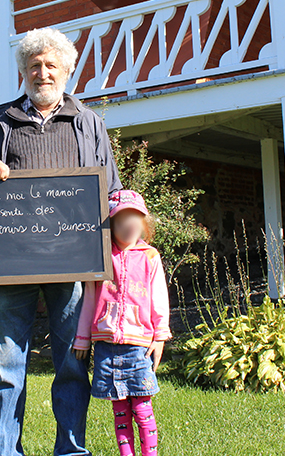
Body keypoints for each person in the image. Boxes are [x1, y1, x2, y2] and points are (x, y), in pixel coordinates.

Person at [0, 27, 122, 456]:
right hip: (9, 263)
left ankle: (71, 450)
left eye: (51, 65)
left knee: (73, 363)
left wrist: (126, 240)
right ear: (23, 71)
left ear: (67, 71)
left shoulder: (88, 122)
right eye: (35, 65)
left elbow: (111, 190)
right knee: (7, 367)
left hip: (72, 263)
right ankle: (5, 451)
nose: (43, 73)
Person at [74, 189, 170, 456]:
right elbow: (90, 298)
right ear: (110, 226)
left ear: (143, 223)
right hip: (106, 347)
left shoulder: (150, 256)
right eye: (121, 221)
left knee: (141, 407)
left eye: (135, 220)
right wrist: (83, 337)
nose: (129, 227)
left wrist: (159, 336)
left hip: (139, 346)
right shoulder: (102, 258)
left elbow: (159, 298)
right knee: (119, 410)